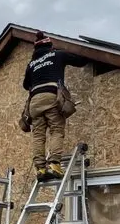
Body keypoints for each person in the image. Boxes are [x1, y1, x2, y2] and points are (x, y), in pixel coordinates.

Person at [22, 31, 87, 181]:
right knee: (56, 130)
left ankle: (40, 169)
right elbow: (81, 61)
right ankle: (54, 164)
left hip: (34, 102)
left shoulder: (31, 64)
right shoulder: (57, 55)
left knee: (38, 136)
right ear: (49, 45)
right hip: (51, 96)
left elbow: (26, 85)